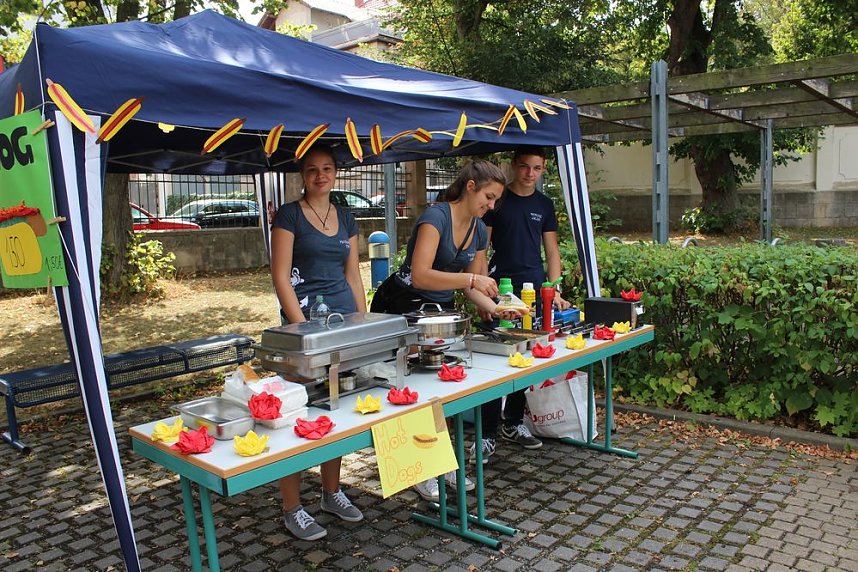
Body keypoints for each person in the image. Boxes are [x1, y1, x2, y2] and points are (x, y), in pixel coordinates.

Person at [371, 159, 519, 501]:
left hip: (437, 312)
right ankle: (419, 469)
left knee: (441, 389)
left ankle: (441, 462)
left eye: (496, 200)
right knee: (410, 390)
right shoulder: (435, 217)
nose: (491, 206)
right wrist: (473, 279)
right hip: (401, 305)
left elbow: (471, 286)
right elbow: (421, 274)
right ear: (470, 187)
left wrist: (498, 308)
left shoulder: (478, 229)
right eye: (488, 197)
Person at [270, 144, 366, 540]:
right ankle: (292, 507)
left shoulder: (346, 217)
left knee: (334, 409)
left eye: (327, 168)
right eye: (312, 169)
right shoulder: (289, 215)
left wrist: (363, 323)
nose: (320, 176)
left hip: (342, 324)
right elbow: (280, 277)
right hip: (303, 327)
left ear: (336, 173)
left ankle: (331, 492)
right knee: (296, 415)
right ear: (302, 175)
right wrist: (301, 332)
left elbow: (353, 275)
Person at [475, 146, 572, 463]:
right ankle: (486, 435)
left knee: (527, 358)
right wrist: (481, 290)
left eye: (537, 168)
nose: (531, 173)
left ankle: (513, 422)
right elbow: (481, 250)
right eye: (525, 166)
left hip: (534, 291)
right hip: (501, 290)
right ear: (514, 165)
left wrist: (554, 290)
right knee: (496, 365)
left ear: (543, 170)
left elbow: (552, 251)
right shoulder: (497, 200)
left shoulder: (544, 204)